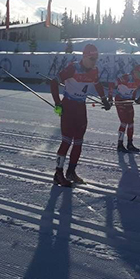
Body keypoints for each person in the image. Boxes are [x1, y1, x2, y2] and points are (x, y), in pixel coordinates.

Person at [50, 43, 111, 187]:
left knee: (78, 142)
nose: (94, 61)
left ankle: (71, 172)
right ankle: (58, 174)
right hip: (68, 107)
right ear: (84, 57)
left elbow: (97, 84)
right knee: (66, 141)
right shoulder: (73, 68)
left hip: (81, 108)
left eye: (96, 59)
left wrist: (104, 100)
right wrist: (58, 104)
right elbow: (54, 82)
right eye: (92, 58)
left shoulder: (94, 70)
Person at [109, 64, 140, 153]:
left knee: (131, 122)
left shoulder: (138, 81)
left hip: (128, 101)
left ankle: (130, 144)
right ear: (135, 72)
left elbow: (135, 90)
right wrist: (109, 98)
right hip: (120, 100)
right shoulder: (126, 77)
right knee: (124, 122)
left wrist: (134, 99)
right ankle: (120, 144)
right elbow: (111, 85)